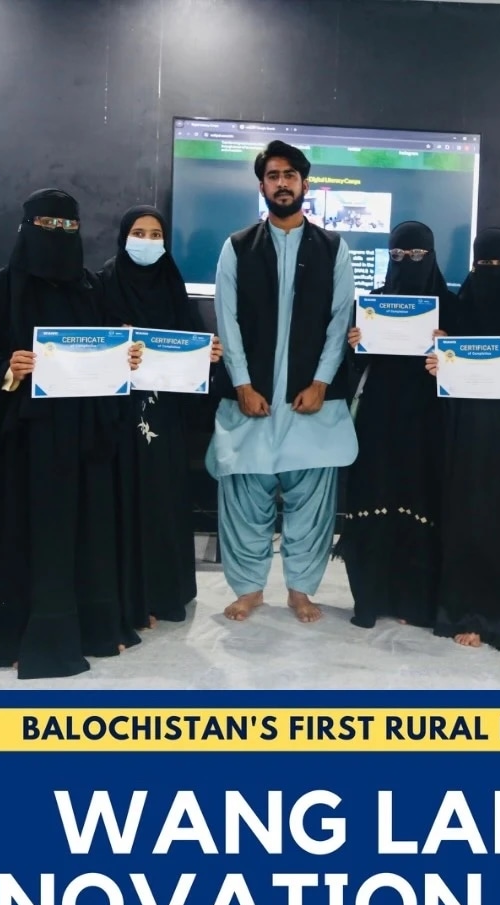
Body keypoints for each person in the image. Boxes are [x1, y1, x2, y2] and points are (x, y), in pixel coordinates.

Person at [0, 188, 142, 681]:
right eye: (47, 226)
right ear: (26, 230)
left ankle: (83, 629)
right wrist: (9, 369)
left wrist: (126, 358)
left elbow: (109, 351)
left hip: (79, 440)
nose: (58, 237)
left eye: (68, 227)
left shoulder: (90, 289)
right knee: (22, 535)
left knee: (75, 536)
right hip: (18, 446)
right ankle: (13, 635)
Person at [205, 141, 357, 624]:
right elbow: (225, 320)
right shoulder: (236, 246)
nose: (283, 183)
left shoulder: (335, 248)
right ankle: (248, 589)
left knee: (311, 503)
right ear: (262, 185)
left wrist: (322, 381)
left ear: (304, 184)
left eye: (291, 175)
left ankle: (301, 590)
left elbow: (340, 321)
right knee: (244, 497)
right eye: (273, 175)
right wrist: (243, 383)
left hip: (311, 400)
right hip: (253, 399)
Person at [99, 205, 222, 630]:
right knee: (120, 501)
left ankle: (165, 592)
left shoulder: (172, 285)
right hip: (114, 421)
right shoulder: (101, 284)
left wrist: (208, 357)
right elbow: (90, 348)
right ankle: (126, 594)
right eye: (139, 232)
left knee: (162, 501)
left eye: (156, 234)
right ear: (123, 235)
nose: (148, 242)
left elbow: (188, 347)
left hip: (165, 420)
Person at [427, 227, 500, 649]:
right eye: (485, 265)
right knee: (467, 519)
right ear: (474, 266)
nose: (493, 272)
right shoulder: (456, 311)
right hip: (466, 432)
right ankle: (466, 611)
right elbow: (443, 374)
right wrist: (438, 362)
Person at [337, 221, 459, 629]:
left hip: (427, 420)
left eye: (418, 255)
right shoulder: (371, 304)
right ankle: (369, 600)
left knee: (420, 499)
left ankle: (415, 601)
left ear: (433, 256)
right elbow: (356, 366)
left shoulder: (452, 306)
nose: (408, 262)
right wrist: (354, 344)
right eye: (398, 256)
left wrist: (449, 348)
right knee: (373, 497)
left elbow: (462, 373)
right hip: (379, 417)